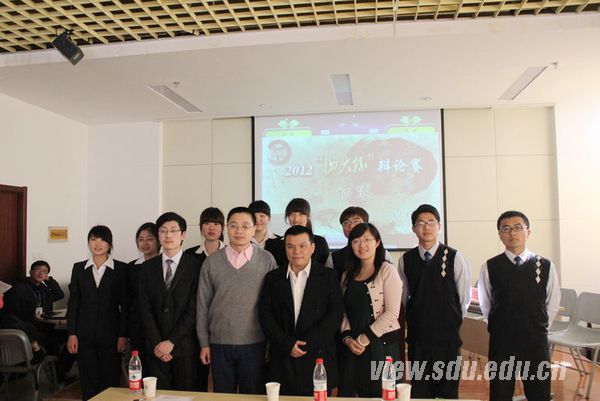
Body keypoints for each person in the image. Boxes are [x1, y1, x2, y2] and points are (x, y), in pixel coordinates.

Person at [478, 210, 560, 401]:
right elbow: (486, 304)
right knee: (500, 392)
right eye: (506, 229)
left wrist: (538, 327)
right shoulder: (490, 267)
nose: (512, 233)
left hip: (535, 341)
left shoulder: (545, 265)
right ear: (500, 235)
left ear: (528, 232)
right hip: (502, 341)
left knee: (539, 392)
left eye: (517, 227)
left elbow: (553, 302)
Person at [197, 206, 277, 394]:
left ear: (254, 228)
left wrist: (271, 343)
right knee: (223, 395)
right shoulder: (211, 262)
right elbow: (202, 305)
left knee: (253, 395)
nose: (239, 231)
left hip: (255, 343)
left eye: (245, 226)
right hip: (219, 343)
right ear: (226, 228)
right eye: (233, 225)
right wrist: (204, 343)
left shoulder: (267, 260)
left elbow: (274, 305)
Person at [259, 225, 344, 396]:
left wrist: (307, 344)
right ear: (285, 249)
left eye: (302, 246)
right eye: (290, 246)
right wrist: (287, 344)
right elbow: (265, 314)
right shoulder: (273, 278)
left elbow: (335, 315)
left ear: (312, 247)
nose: (296, 251)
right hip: (283, 355)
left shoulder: (329, 276)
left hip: (317, 354)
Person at [398, 204, 471, 398]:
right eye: (421, 223)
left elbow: (463, 299)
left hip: (447, 339)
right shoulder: (406, 259)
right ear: (413, 228)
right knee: (420, 390)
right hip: (418, 339)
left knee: (448, 391)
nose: (426, 227)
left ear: (439, 226)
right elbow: (405, 297)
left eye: (431, 222)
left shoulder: (455, 257)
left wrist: (450, 322)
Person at [138, 212, 205, 391]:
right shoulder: (146, 268)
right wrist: (158, 343)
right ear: (158, 235)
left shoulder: (196, 266)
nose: (168, 235)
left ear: (183, 235)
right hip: (156, 349)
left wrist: (171, 342)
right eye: (163, 231)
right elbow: (144, 309)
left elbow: (195, 308)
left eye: (173, 230)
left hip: (185, 347)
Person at [339, 223, 403, 397]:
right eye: (356, 241)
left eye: (367, 240)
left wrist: (363, 339)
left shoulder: (387, 270)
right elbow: (342, 310)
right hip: (353, 346)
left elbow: (392, 313)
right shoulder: (347, 273)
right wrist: (347, 338)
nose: (362, 245)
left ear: (377, 242)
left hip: (381, 346)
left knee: (381, 393)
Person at [66, 225, 129, 401]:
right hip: (84, 335)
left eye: (102, 240)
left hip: (111, 335)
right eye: (93, 239)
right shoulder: (79, 268)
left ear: (109, 244)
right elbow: (74, 303)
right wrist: (72, 334)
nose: (98, 244)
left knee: (111, 381)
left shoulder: (121, 269)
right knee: (88, 381)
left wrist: (123, 335)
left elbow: (126, 305)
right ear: (88, 242)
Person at [127, 222, 160, 373]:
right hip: (138, 326)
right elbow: (127, 300)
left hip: (159, 324)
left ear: (158, 240)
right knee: (140, 368)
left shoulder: (165, 264)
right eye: (141, 239)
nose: (145, 243)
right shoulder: (131, 267)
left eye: (150, 239)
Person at [329, 206, 393, 279]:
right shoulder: (333, 258)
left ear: (366, 224)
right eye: (346, 222)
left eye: (356, 221)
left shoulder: (383, 254)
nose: (351, 226)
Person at [265, 198, 330, 267]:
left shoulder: (320, 243)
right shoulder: (275, 244)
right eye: (292, 214)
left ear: (308, 216)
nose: (296, 219)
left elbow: (326, 270)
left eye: (301, 214)